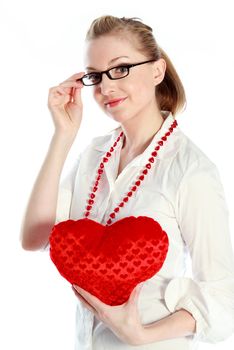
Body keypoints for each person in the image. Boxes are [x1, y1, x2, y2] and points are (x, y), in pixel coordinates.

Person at [20, 15, 234, 350]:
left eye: (120, 69)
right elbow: (34, 238)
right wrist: (63, 136)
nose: (106, 88)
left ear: (156, 71)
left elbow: (223, 298)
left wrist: (140, 334)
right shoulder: (93, 155)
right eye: (95, 75)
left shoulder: (191, 171)